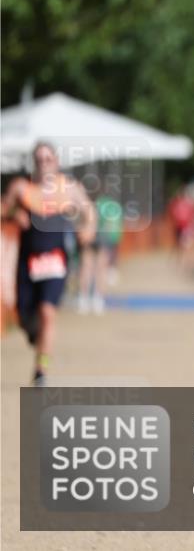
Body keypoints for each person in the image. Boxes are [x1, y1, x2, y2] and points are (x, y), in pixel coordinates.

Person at [1, 142, 96, 385]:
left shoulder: (70, 188)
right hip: (28, 263)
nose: (44, 164)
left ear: (56, 161)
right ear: (34, 163)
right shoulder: (22, 188)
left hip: (56, 261)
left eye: (48, 159)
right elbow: (2, 208)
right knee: (25, 317)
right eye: (39, 159)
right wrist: (13, 214)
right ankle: (36, 335)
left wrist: (88, 229)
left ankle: (41, 370)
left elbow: (90, 213)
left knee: (48, 313)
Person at [75, 181, 124, 315]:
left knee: (86, 267)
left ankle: (84, 298)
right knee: (99, 269)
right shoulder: (106, 204)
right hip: (101, 237)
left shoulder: (84, 203)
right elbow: (112, 223)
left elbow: (79, 221)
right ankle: (97, 299)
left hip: (89, 237)